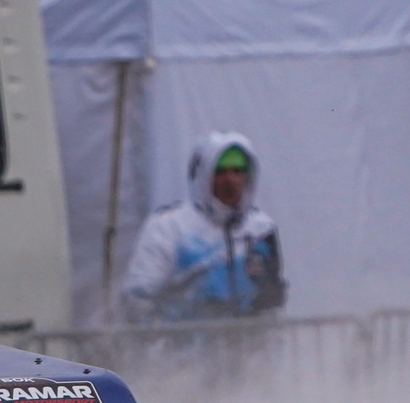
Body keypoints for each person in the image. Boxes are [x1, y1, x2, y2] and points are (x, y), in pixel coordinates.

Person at [120, 132, 287, 323]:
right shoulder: (169, 227)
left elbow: (272, 293)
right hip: (185, 348)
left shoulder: (261, 229)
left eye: (237, 171)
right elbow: (138, 295)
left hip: (251, 348)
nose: (230, 180)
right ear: (204, 175)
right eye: (221, 172)